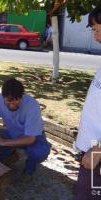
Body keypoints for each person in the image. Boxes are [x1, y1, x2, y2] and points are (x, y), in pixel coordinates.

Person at [0, 78, 51, 182]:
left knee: (40, 152)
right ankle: (9, 157)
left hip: (33, 137)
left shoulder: (32, 106)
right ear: (3, 97)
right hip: (13, 133)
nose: (13, 104)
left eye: (17, 100)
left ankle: (29, 170)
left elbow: (30, 139)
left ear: (21, 96)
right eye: (9, 101)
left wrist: (3, 142)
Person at [74, 7, 101, 200]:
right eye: (94, 30)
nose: (95, 37)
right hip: (91, 149)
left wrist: (98, 150)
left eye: (98, 30)